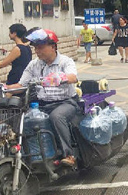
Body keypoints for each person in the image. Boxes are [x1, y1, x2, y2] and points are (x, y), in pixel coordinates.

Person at [7, 29, 79, 167]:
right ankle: (31, 154)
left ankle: (68, 155)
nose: (37, 51)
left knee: (56, 117)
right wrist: (6, 88)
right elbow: (21, 85)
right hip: (42, 104)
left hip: (65, 103)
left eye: (40, 47)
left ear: (53, 47)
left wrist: (57, 78)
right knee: (23, 118)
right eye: (35, 48)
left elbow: (73, 77)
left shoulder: (65, 61)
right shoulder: (34, 64)